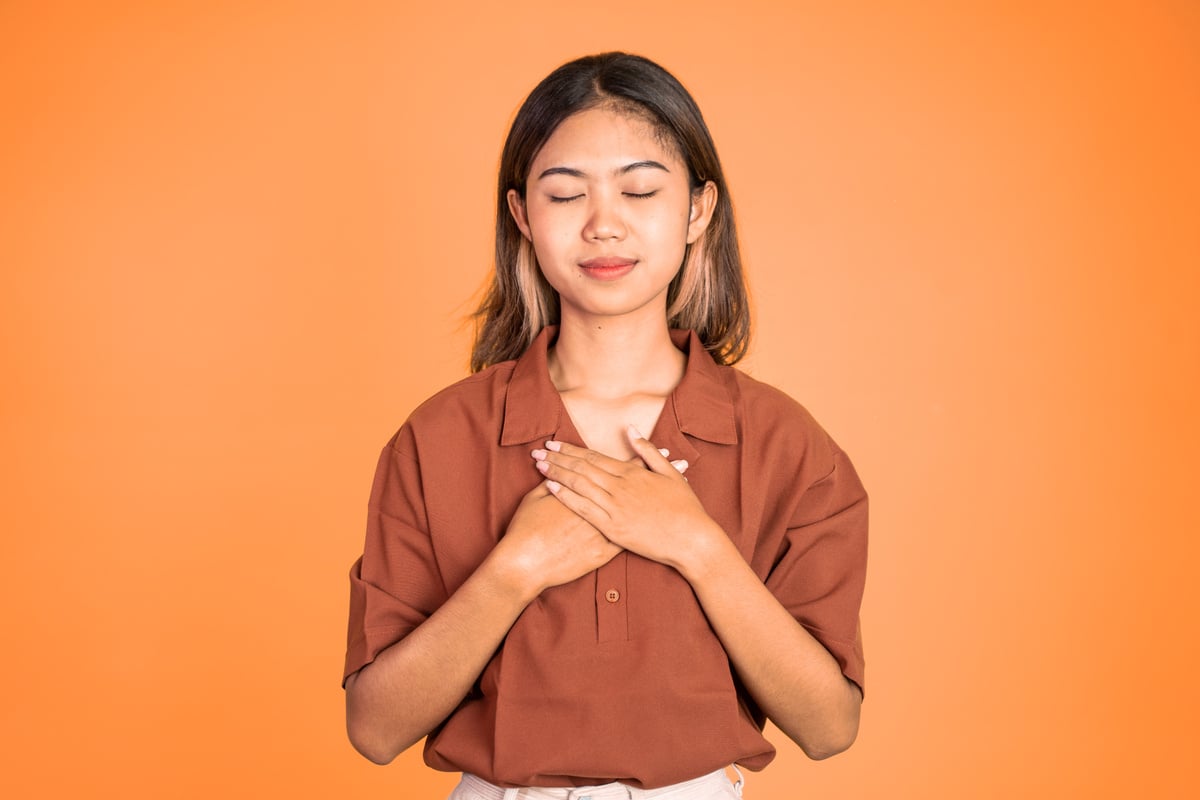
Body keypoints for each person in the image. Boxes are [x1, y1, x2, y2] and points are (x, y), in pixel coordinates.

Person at [342, 52, 868, 799]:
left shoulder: (788, 446)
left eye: (640, 189)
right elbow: (374, 728)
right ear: (523, 215)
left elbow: (829, 726)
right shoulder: (437, 438)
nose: (604, 225)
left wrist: (696, 545)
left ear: (697, 210)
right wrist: (514, 569)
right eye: (565, 195)